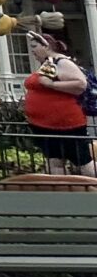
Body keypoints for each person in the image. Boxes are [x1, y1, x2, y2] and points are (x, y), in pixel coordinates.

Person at [23, 36, 92, 176]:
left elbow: (81, 84)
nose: (32, 51)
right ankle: (62, 192)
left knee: (82, 162)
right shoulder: (48, 63)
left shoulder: (62, 62)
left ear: (46, 46)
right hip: (45, 125)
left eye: (35, 46)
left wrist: (52, 85)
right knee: (54, 161)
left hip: (65, 124)